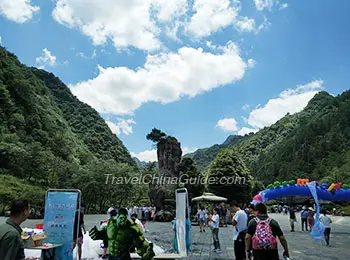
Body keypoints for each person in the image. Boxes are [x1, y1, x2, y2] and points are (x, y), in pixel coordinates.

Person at [90, 208, 155, 260]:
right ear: (117, 216)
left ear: (126, 217)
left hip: (123, 257)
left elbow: (141, 243)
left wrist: (147, 251)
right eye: (120, 218)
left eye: (124, 219)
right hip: (111, 256)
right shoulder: (111, 224)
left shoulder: (132, 228)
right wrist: (98, 234)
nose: (122, 221)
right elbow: (106, 234)